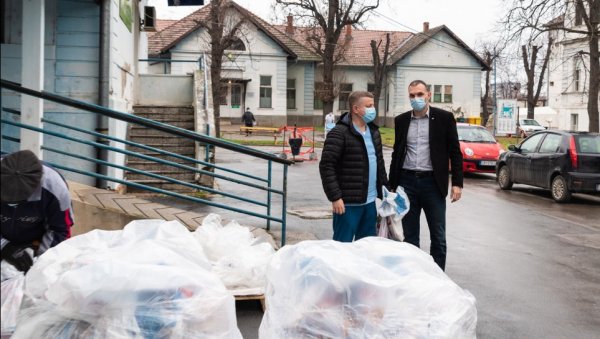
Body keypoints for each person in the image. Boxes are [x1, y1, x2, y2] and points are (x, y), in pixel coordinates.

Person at [388, 80, 463, 271]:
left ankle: (438, 278)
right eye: (412, 95)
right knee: (410, 236)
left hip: (433, 183)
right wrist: (392, 185)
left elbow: (455, 151)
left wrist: (457, 183)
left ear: (428, 95)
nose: (416, 99)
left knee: (438, 236)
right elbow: (397, 152)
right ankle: (414, 278)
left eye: (420, 94)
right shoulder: (402, 120)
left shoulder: (444, 118)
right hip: (407, 182)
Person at [319, 91, 388, 242]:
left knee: (367, 247)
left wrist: (386, 192)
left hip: (369, 203)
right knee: (342, 248)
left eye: (373, 105)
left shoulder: (374, 132)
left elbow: (379, 163)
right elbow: (326, 166)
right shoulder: (339, 133)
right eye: (368, 106)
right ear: (356, 109)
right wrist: (335, 197)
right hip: (347, 204)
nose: (373, 110)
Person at [0, 150, 74, 272]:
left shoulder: (55, 188)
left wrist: (41, 264)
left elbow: (60, 230)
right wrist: (4, 246)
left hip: (34, 243)